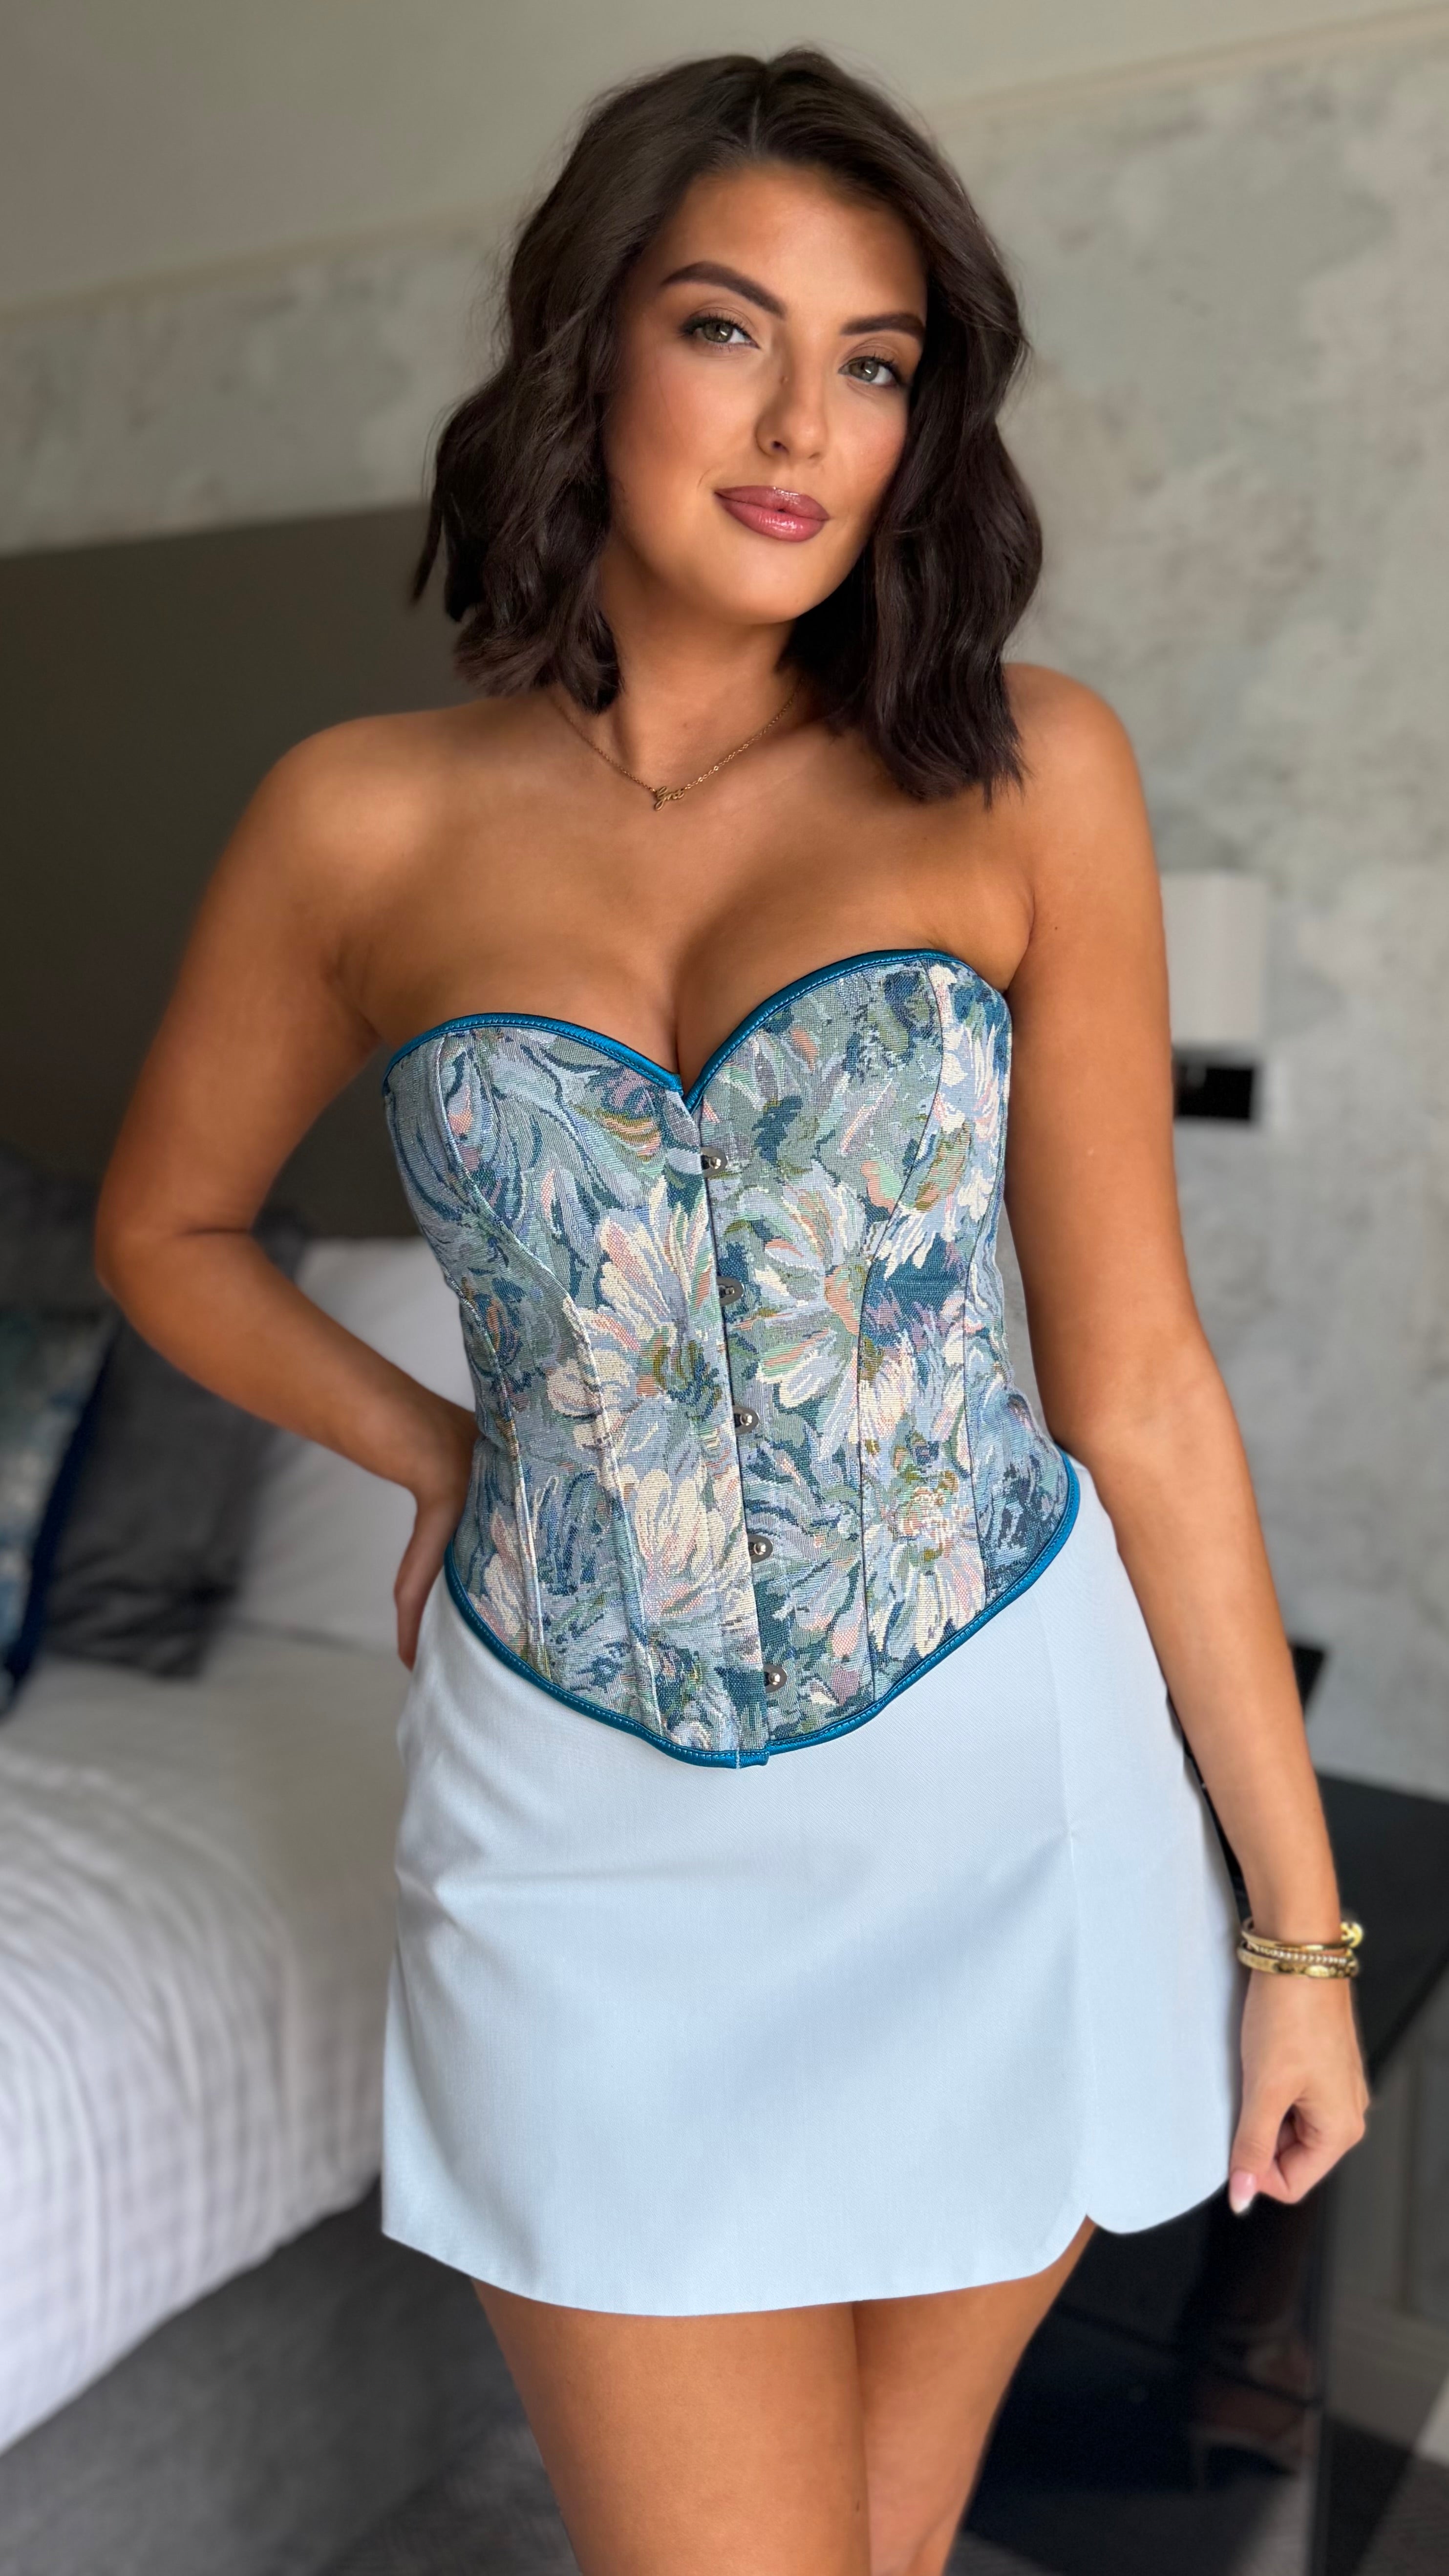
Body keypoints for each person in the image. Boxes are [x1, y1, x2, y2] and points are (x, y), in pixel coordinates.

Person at [96, 47, 1368, 2576]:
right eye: (725, 330)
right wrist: (441, 1447)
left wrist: (1295, 1934)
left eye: (872, 361)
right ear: (588, 350)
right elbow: (168, 1232)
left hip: (1002, 1801)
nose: (803, 427)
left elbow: (1134, 1381)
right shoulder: (359, 815)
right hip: (575, 1834)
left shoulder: (1026, 773)